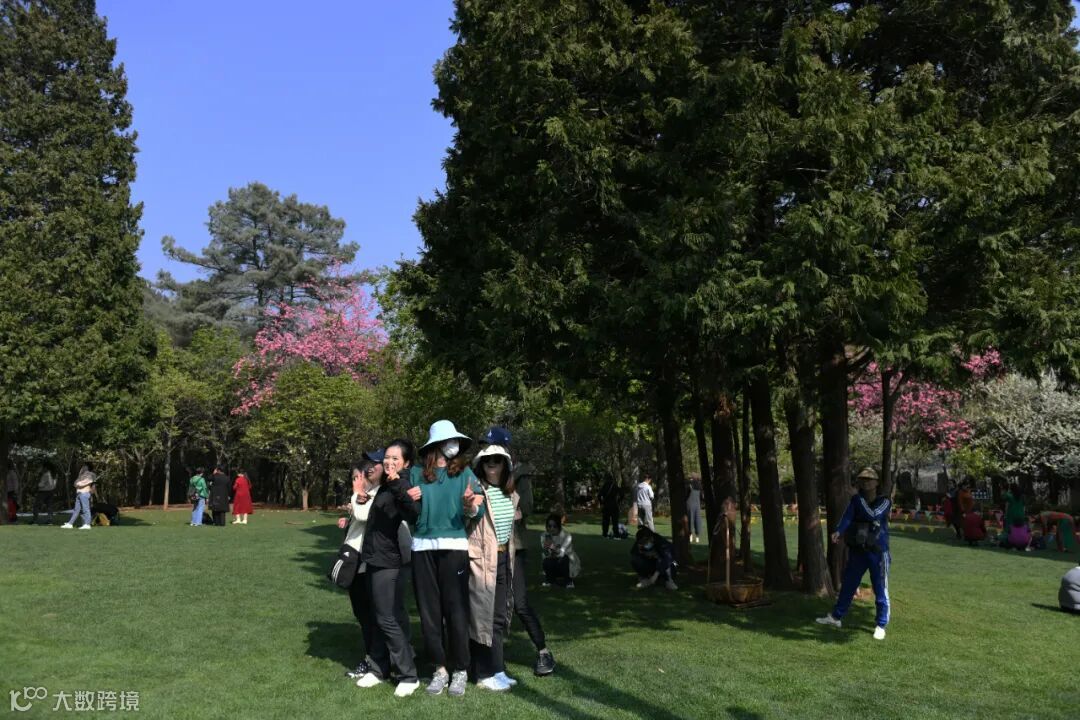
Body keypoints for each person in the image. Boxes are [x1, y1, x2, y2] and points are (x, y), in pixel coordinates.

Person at [405, 420, 484, 697]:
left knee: (456, 610)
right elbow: (407, 511)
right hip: (422, 548)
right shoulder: (416, 474)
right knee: (429, 613)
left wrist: (470, 505)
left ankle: (461, 669)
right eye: (449, 441)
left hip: (454, 547)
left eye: (456, 441)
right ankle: (439, 669)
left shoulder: (464, 473)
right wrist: (409, 500)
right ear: (436, 445)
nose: (455, 446)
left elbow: (477, 510)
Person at [354, 441, 421, 697]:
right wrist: (363, 497)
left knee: (386, 618)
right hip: (374, 559)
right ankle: (378, 669)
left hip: (387, 562)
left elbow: (413, 513)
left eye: (395, 458)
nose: (389, 462)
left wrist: (396, 484)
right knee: (377, 616)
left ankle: (409, 675)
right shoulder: (385, 486)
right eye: (387, 458)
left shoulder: (401, 484)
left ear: (406, 463)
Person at [815, 467, 892, 640]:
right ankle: (836, 617)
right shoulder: (857, 500)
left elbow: (873, 515)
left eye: (869, 479)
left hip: (878, 553)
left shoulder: (884, 501)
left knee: (880, 588)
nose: (866, 482)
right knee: (848, 585)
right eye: (862, 479)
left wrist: (858, 500)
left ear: (877, 483)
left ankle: (881, 624)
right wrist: (839, 531)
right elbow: (848, 517)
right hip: (858, 551)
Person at [467, 443, 519, 692]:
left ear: (505, 465)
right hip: (481, 562)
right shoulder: (476, 489)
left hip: (503, 560)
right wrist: (470, 506)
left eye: (497, 460)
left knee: (498, 617)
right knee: (481, 618)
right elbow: (469, 514)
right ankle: (482, 673)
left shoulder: (509, 493)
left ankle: (497, 669)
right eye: (487, 460)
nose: (491, 464)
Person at [505, 461, 557, 677]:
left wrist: (512, 509)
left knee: (520, 602)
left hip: (514, 545)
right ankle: (486, 657)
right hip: (486, 547)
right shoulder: (478, 474)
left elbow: (525, 508)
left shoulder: (519, 476)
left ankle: (543, 651)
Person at [340, 452, 379, 681]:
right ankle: (375, 655)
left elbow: (364, 517)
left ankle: (373, 659)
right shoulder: (364, 497)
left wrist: (356, 496)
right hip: (356, 561)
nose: (355, 482)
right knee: (363, 613)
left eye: (359, 477)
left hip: (365, 562)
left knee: (369, 614)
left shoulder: (373, 496)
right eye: (353, 478)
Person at [540, 514, 581, 588]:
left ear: (559, 526)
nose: (552, 528)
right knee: (546, 561)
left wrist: (553, 547)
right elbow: (546, 553)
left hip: (567, 563)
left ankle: (569, 581)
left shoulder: (567, 536)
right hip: (553, 560)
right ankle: (550, 580)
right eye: (549, 526)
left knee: (564, 559)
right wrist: (547, 549)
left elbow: (562, 553)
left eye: (554, 526)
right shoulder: (544, 535)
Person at [62, 464, 96, 530]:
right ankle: (70, 523)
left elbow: (84, 483)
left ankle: (87, 524)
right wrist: (78, 484)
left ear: (88, 468)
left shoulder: (90, 474)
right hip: (79, 493)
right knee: (76, 510)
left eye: (84, 466)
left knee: (85, 509)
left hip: (84, 493)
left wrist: (78, 484)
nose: (82, 467)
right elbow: (75, 483)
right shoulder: (81, 475)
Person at [597, 473, 623, 539]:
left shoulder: (605, 486)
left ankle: (605, 534)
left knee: (605, 520)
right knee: (615, 521)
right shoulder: (615, 486)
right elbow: (622, 494)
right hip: (614, 505)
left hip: (606, 505)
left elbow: (599, 495)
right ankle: (616, 535)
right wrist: (618, 501)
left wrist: (602, 502)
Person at [33, 461, 57, 525]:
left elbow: (41, 484)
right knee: (49, 506)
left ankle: (35, 520)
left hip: (43, 492)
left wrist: (37, 484)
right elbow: (54, 484)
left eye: (42, 467)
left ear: (45, 467)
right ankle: (50, 520)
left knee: (36, 506)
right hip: (51, 491)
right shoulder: (53, 474)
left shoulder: (46, 474)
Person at [687, 474, 703, 543]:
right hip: (697, 505)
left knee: (690, 520)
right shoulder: (700, 486)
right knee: (697, 520)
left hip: (690, 504)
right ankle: (697, 537)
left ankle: (690, 536)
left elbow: (686, 495)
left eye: (690, 478)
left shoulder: (689, 485)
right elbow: (701, 497)